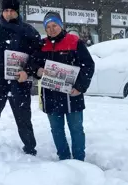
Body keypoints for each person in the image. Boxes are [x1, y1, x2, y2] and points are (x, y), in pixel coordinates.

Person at [26, 12, 95, 161]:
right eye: (48, 27)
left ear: (61, 25)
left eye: (54, 25)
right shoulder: (41, 45)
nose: (51, 29)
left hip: (72, 95)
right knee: (56, 130)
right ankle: (64, 159)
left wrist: (80, 87)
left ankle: (79, 160)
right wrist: (38, 70)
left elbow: (88, 65)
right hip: (50, 96)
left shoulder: (74, 41)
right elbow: (31, 63)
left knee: (76, 129)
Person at [0, 0, 41, 161]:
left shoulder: (28, 31)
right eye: (5, 10)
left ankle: (30, 148)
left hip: (19, 83)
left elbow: (38, 55)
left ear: (17, 12)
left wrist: (27, 72)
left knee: (23, 117)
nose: (8, 13)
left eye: (11, 10)